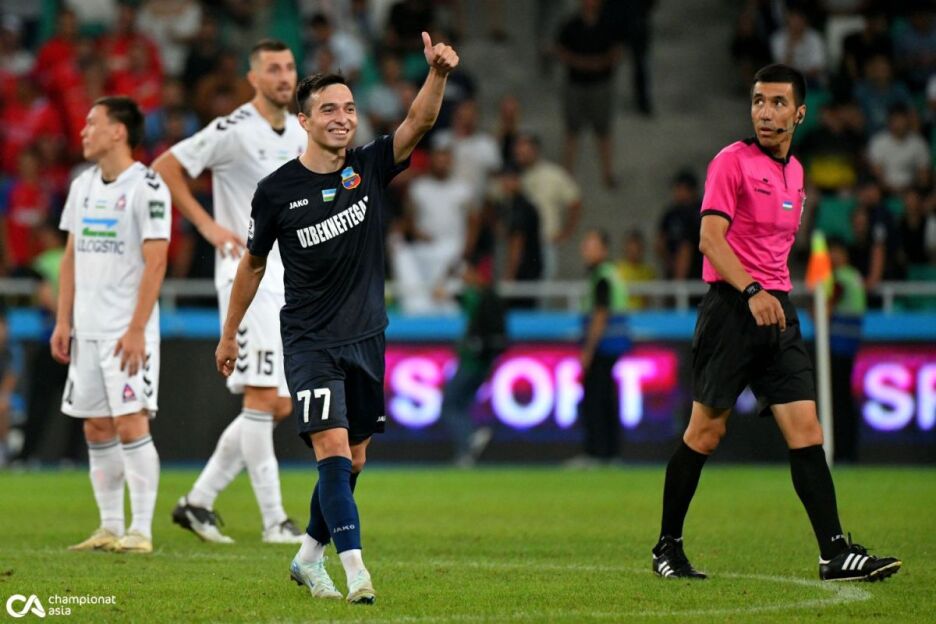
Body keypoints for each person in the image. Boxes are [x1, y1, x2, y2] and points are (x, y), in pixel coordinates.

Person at [215, 32, 459, 604]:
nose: (343, 118)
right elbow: (253, 265)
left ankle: (307, 557)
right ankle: (357, 574)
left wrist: (438, 74)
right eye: (329, 109)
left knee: (354, 458)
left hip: (367, 336)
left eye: (349, 108)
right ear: (304, 121)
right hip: (310, 341)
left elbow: (419, 122)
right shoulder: (276, 191)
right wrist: (230, 333)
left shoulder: (368, 167)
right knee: (330, 448)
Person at [651, 64, 901, 581]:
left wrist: (772, 296)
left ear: (800, 113)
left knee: (807, 430)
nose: (765, 112)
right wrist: (751, 290)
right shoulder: (730, 162)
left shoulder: (797, 173)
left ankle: (834, 553)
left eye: (778, 103)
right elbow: (710, 240)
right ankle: (666, 547)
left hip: (777, 310)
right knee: (706, 433)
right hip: (732, 309)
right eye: (758, 101)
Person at [152, 39, 308, 545]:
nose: (284, 76)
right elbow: (166, 166)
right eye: (273, 69)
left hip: (285, 277)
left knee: (278, 405)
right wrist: (207, 226)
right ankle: (275, 520)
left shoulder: (299, 132)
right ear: (253, 78)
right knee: (262, 396)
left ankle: (197, 501)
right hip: (247, 276)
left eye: (289, 67)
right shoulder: (234, 129)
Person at [52, 96, 170, 554]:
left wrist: (137, 328)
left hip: (126, 330)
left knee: (131, 422)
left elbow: (156, 261)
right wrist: (63, 320)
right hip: (87, 329)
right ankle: (109, 525)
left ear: (118, 131)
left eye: (92, 123)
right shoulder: (82, 185)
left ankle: (140, 530)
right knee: (96, 427)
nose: (84, 131)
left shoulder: (148, 186)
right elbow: (70, 257)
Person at [568, 228, 629, 467]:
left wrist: (588, 350)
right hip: (612, 346)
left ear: (603, 249)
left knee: (595, 400)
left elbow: (600, 315)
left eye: (591, 244)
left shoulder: (602, 277)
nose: (585, 249)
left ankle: (596, 453)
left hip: (603, 347)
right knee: (606, 399)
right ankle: (610, 453)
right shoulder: (609, 274)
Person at [440, 263, 505, 467]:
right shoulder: (493, 298)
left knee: (450, 404)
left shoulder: (474, 297)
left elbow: (438, 293)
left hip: (471, 361)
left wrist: (447, 274)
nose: (465, 277)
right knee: (462, 405)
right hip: (484, 362)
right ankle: (466, 451)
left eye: (468, 272)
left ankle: (469, 439)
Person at [827, 237, 866, 463]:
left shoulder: (840, 278)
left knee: (838, 399)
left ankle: (842, 451)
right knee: (845, 399)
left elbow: (825, 309)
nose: (832, 257)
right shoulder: (855, 276)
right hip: (852, 344)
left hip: (839, 345)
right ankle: (849, 451)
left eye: (836, 252)